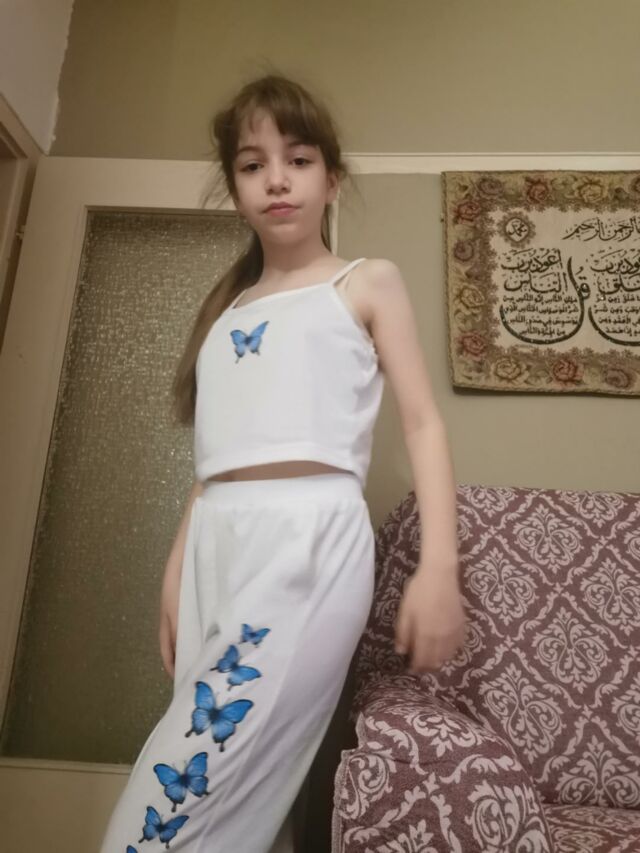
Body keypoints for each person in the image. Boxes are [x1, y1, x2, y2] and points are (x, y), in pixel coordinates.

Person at [99, 72, 466, 853]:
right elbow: (217, 463)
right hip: (216, 547)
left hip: (309, 543)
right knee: (229, 790)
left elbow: (424, 424)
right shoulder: (225, 310)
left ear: (331, 178)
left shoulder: (365, 283)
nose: (276, 179)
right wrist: (176, 569)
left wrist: (440, 566)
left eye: (297, 159)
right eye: (252, 163)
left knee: (181, 785)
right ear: (234, 189)